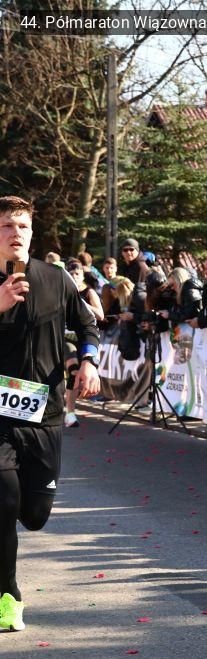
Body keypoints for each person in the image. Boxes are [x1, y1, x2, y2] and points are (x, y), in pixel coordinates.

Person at [0, 196, 100, 632]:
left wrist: (89, 361)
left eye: (22, 225)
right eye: (6, 226)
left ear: (32, 232)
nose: (15, 233)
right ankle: (8, 596)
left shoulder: (55, 278)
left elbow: (87, 323)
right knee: (4, 502)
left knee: (34, 514)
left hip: (44, 410)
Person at [62, 259, 105, 428]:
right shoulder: (62, 289)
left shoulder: (89, 292)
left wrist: (80, 304)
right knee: (73, 370)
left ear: (83, 276)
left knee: (79, 373)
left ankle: (66, 407)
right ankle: (70, 413)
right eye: (71, 274)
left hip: (84, 338)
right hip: (65, 338)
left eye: (77, 274)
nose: (74, 277)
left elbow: (100, 315)